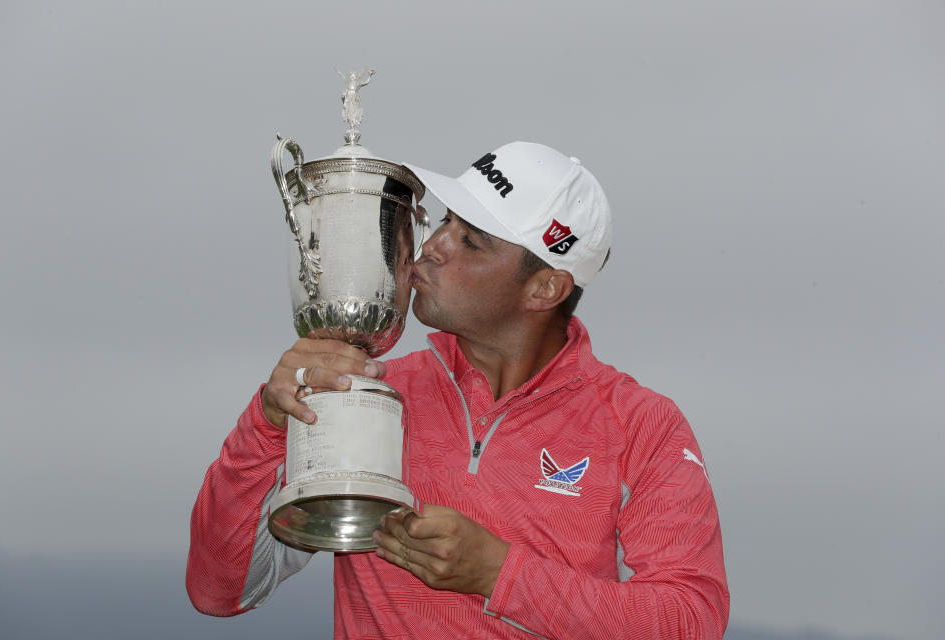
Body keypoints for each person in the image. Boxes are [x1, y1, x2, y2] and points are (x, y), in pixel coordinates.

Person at [187, 141, 730, 639]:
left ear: (546, 288)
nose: (433, 246)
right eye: (445, 221)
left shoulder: (641, 424)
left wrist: (499, 573)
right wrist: (264, 425)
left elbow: (691, 619)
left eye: (470, 240)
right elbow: (218, 591)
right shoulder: (364, 390)